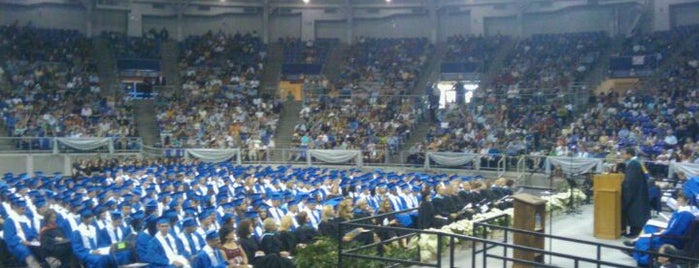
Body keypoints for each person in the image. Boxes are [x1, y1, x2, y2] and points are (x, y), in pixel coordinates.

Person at [623, 193, 697, 266]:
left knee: (644, 241)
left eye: (680, 201)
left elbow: (676, 231)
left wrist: (663, 232)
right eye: (677, 200)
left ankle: (642, 259)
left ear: (687, 201)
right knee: (648, 230)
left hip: (672, 239)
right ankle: (636, 251)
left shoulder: (685, 214)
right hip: (670, 234)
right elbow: (674, 227)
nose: (678, 202)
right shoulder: (684, 212)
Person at [3, 197, 42, 268]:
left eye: (25, 209)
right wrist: (22, 241)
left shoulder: (27, 218)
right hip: (16, 244)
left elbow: (33, 231)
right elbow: (9, 237)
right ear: (15, 208)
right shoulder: (10, 220)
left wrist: (36, 237)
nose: (24, 211)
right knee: (25, 251)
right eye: (22, 209)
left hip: (30, 241)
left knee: (43, 246)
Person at [621, 147, 650, 237]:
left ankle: (635, 233)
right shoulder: (638, 162)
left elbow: (630, 181)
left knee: (635, 212)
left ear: (629, 154)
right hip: (639, 191)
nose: (623, 156)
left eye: (624, 154)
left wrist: (622, 186)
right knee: (637, 212)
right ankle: (635, 231)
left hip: (635, 193)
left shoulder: (633, 164)